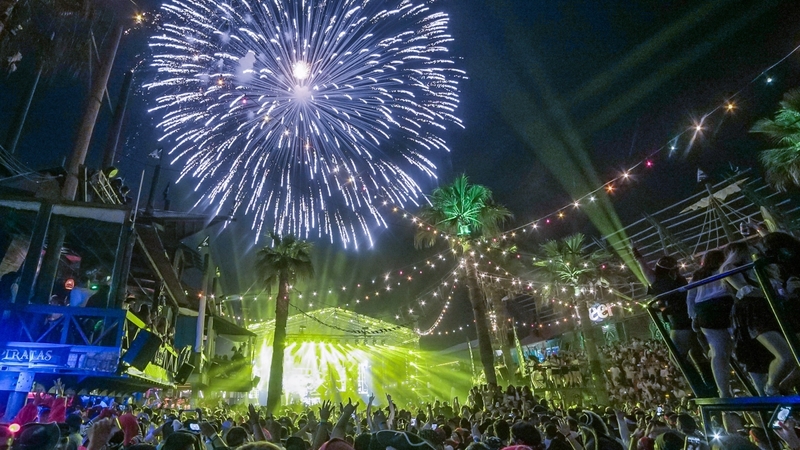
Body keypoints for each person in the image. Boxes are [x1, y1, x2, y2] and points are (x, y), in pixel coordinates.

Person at [722, 242, 797, 396]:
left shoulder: (765, 269)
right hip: (753, 314)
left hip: (773, 311)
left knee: (794, 356)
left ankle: (782, 387)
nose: (756, 252)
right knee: (785, 356)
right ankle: (771, 388)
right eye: (750, 250)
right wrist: (777, 293)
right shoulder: (733, 269)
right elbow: (746, 291)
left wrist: (788, 291)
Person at [633, 250, 712, 389]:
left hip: (680, 322)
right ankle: (710, 382)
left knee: (676, 356)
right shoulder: (679, 279)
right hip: (693, 317)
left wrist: (637, 254)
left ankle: (699, 385)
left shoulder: (659, 281)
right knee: (696, 353)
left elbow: (644, 268)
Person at [687, 250, 733, 397]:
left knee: (718, 352)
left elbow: (691, 296)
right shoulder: (725, 269)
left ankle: (724, 392)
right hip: (726, 304)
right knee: (736, 345)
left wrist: (693, 316)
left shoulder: (698, 275)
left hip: (705, 310)